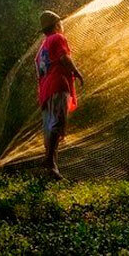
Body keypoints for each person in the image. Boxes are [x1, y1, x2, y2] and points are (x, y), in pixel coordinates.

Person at [34, 10, 84, 180]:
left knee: (49, 128)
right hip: (58, 85)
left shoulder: (41, 50)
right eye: (60, 23)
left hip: (45, 91)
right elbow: (64, 58)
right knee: (58, 122)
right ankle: (49, 160)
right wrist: (76, 72)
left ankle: (52, 169)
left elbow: (39, 74)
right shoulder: (58, 38)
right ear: (56, 25)